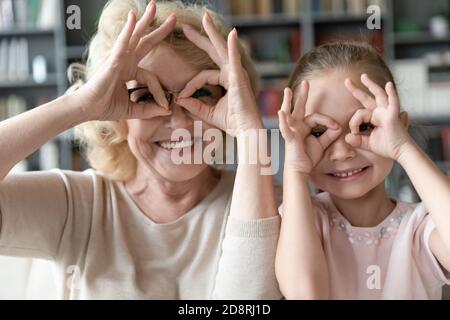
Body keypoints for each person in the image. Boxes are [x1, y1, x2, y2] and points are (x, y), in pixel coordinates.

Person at [0, 0, 281, 299]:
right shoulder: (76, 205)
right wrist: (80, 105)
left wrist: (251, 134)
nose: (178, 121)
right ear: (115, 116)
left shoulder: (273, 204)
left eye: (201, 92)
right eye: (147, 96)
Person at [275, 41, 450, 299]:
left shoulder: (420, 228)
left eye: (365, 126)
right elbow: (305, 293)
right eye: (318, 132)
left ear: (399, 126)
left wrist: (402, 147)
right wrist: (295, 168)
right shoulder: (302, 219)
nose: (343, 151)